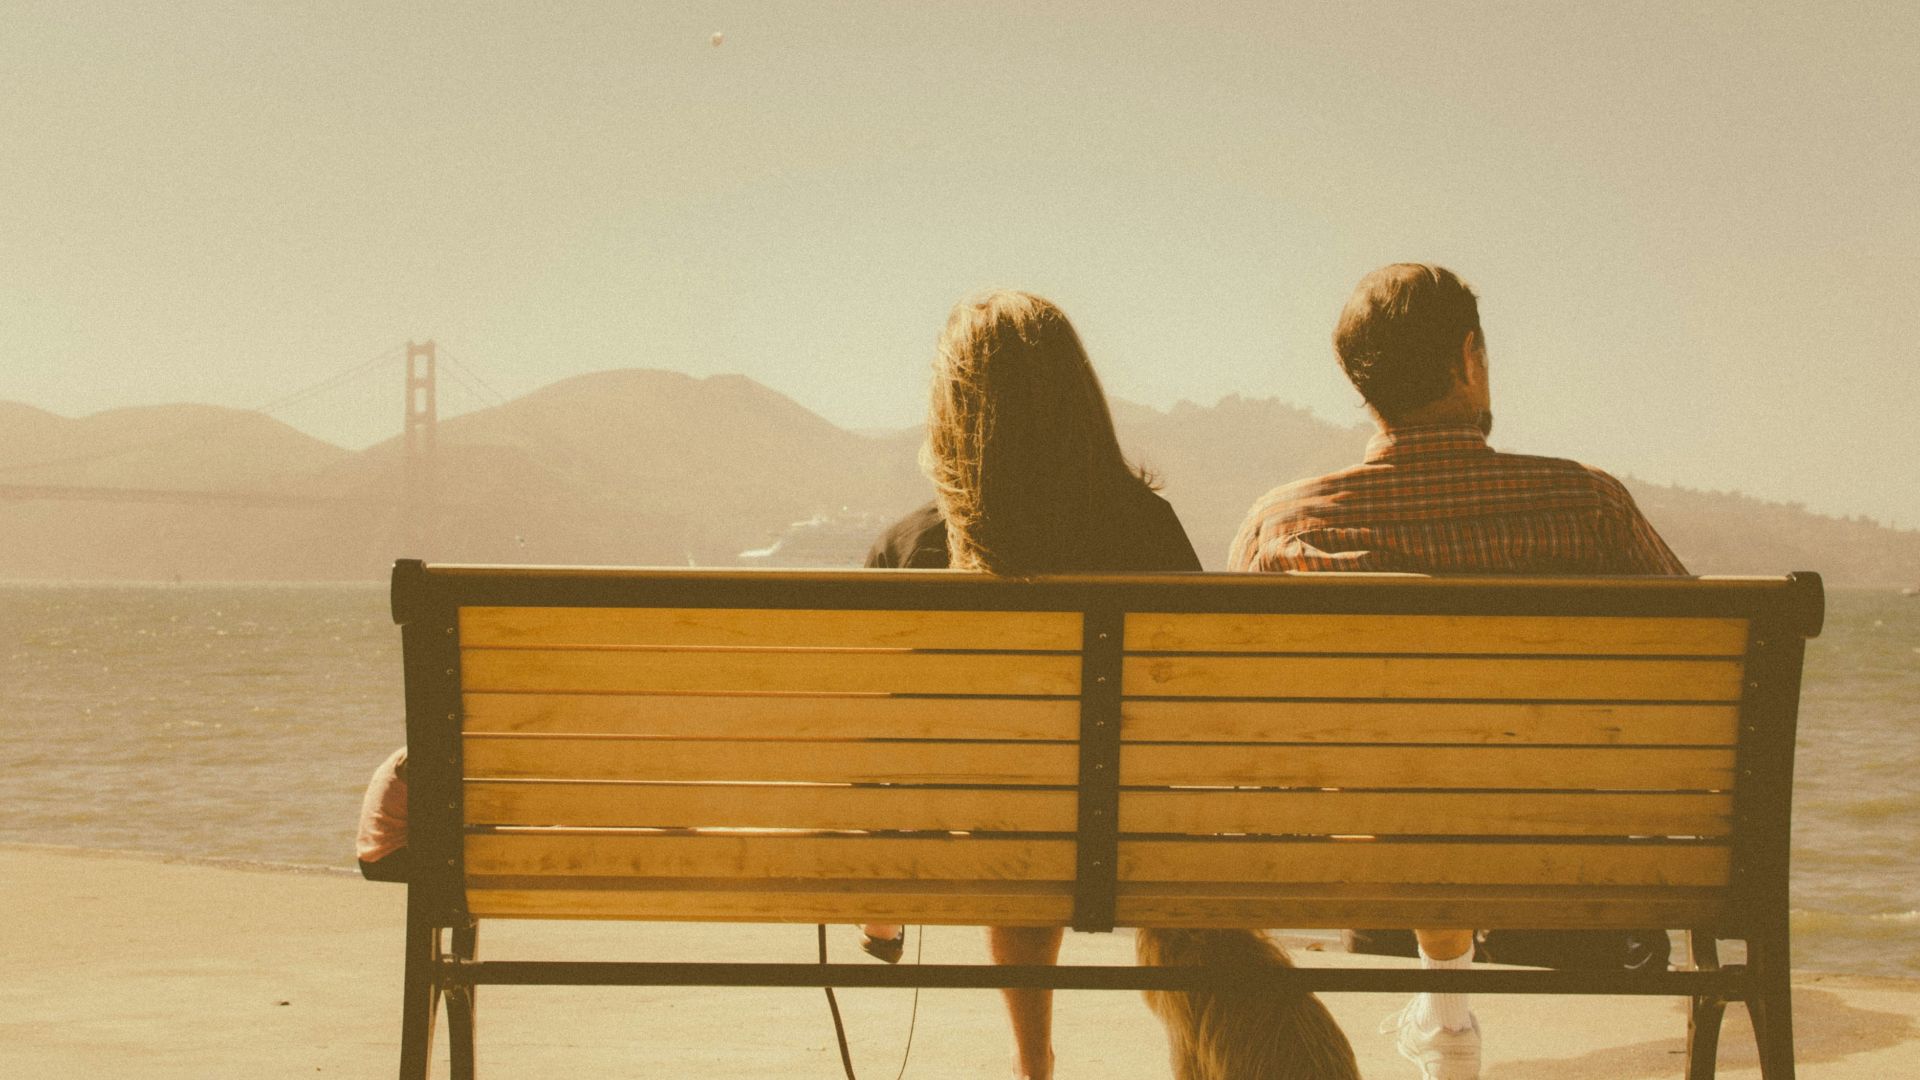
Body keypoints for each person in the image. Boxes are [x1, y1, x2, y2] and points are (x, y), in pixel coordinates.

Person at [1229, 263, 1687, 1080]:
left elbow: (1234, 714)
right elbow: (1693, 682)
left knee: (1397, 824)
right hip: (1574, 884)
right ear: (1469, 357)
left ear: (1361, 385)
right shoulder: (1588, 506)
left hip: (1378, 883)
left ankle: (1440, 1001)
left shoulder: (1284, 525)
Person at [861, 289, 1201, 1080]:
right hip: (1136, 832)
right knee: (1048, 803)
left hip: (993, 831)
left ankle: (1033, 1062)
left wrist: (882, 900)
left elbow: (882, 749)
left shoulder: (910, 548)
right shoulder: (1147, 527)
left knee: (1013, 815)